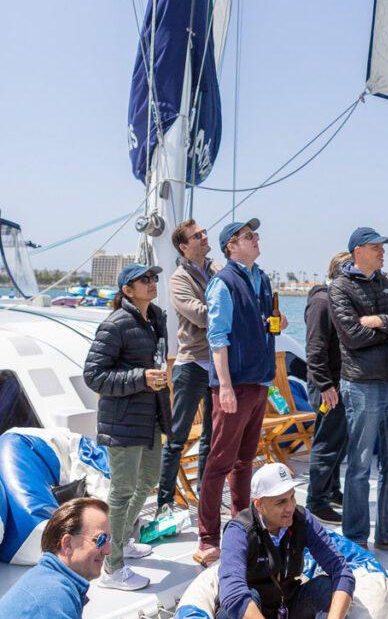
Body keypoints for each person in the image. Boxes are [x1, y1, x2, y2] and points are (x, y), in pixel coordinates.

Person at [195, 218, 288, 567]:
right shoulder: (223, 283)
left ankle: (241, 524)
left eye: (255, 234)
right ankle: (207, 538)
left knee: (245, 460)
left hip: (259, 382)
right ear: (232, 246)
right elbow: (217, 338)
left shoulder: (261, 279)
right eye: (249, 236)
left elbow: (263, 322)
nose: (257, 238)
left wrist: (274, 324)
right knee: (218, 463)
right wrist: (225, 387)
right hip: (235, 385)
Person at [328, 226, 388, 556]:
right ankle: (355, 538)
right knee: (359, 466)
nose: (383, 252)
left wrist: (378, 320)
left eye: (383, 246)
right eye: (376, 247)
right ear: (357, 251)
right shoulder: (339, 289)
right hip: (362, 385)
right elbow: (352, 336)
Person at [83, 263, 171, 591]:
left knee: (148, 478)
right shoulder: (116, 323)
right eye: (144, 280)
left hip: (149, 416)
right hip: (122, 419)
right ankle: (111, 564)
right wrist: (141, 377)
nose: (152, 283)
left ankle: (122, 540)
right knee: (121, 491)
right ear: (127, 290)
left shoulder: (154, 319)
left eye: (153, 278)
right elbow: (94, 375)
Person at [217, 462, 354, 619]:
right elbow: (233, 597)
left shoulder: (301, 518)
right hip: (248, 614)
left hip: (286, 604)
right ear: (259, 505)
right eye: (281, 502)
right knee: (247, 597)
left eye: (292, 497)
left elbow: (342, 571)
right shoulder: (239, 531)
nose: (290, 507)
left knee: (326, 586)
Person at [156, 217, 220, 516]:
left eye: (204, 232)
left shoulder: (217, 270)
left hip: (220, 364)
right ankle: (165, 502)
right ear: (184, 247)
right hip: (192, 365)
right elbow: (201, 316)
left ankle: (206, 498)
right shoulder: (178, 280)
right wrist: (231, 312)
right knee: (177, 438)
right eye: (197, 236)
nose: (205, 237)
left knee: (211, 437)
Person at [0, 497, 111, 619]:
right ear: (67, 544)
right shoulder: (51, 597)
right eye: (101, 540)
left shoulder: (46, 581)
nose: (108, 550)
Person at [305, 251, 351, 524]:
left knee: (339, 441)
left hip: (340, 383)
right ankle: (317, 501)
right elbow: (315, 347)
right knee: (327, 442)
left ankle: (331, 490)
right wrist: (325, 385)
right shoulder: (323, 302)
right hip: (327, 386)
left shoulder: (338, 301)